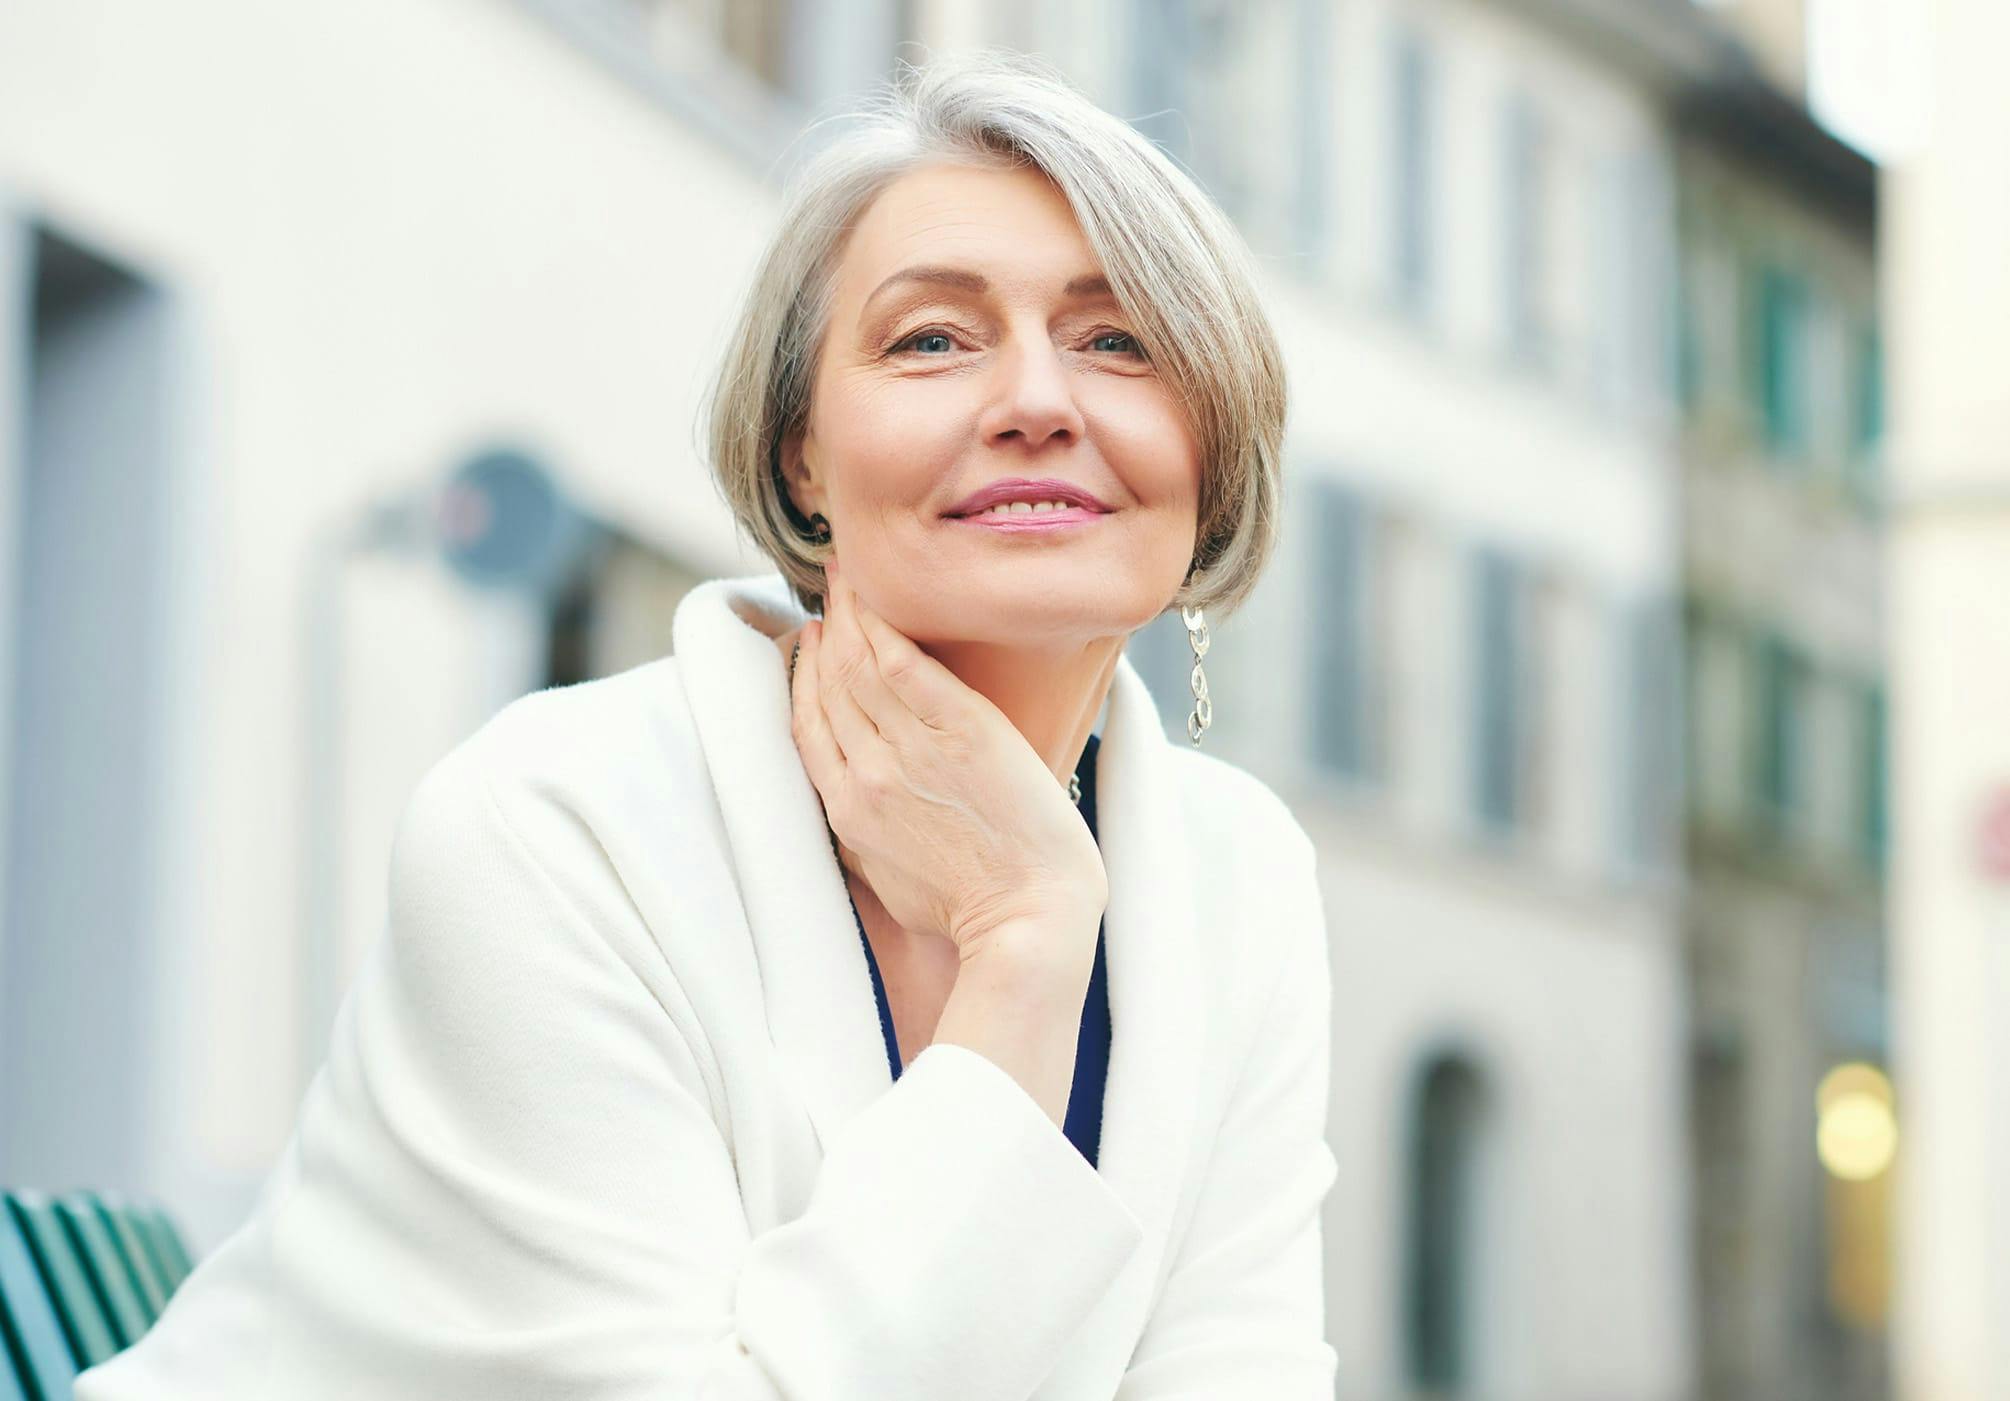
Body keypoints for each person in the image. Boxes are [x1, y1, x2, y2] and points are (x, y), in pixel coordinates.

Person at [74, 47, 1337, 1400]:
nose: (1035, 400)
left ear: (1210, 450)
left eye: (1117, 341)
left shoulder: (1238, 873)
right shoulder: (554, 825)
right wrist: (1026, 941)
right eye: (931, 339)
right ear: (802, 451)